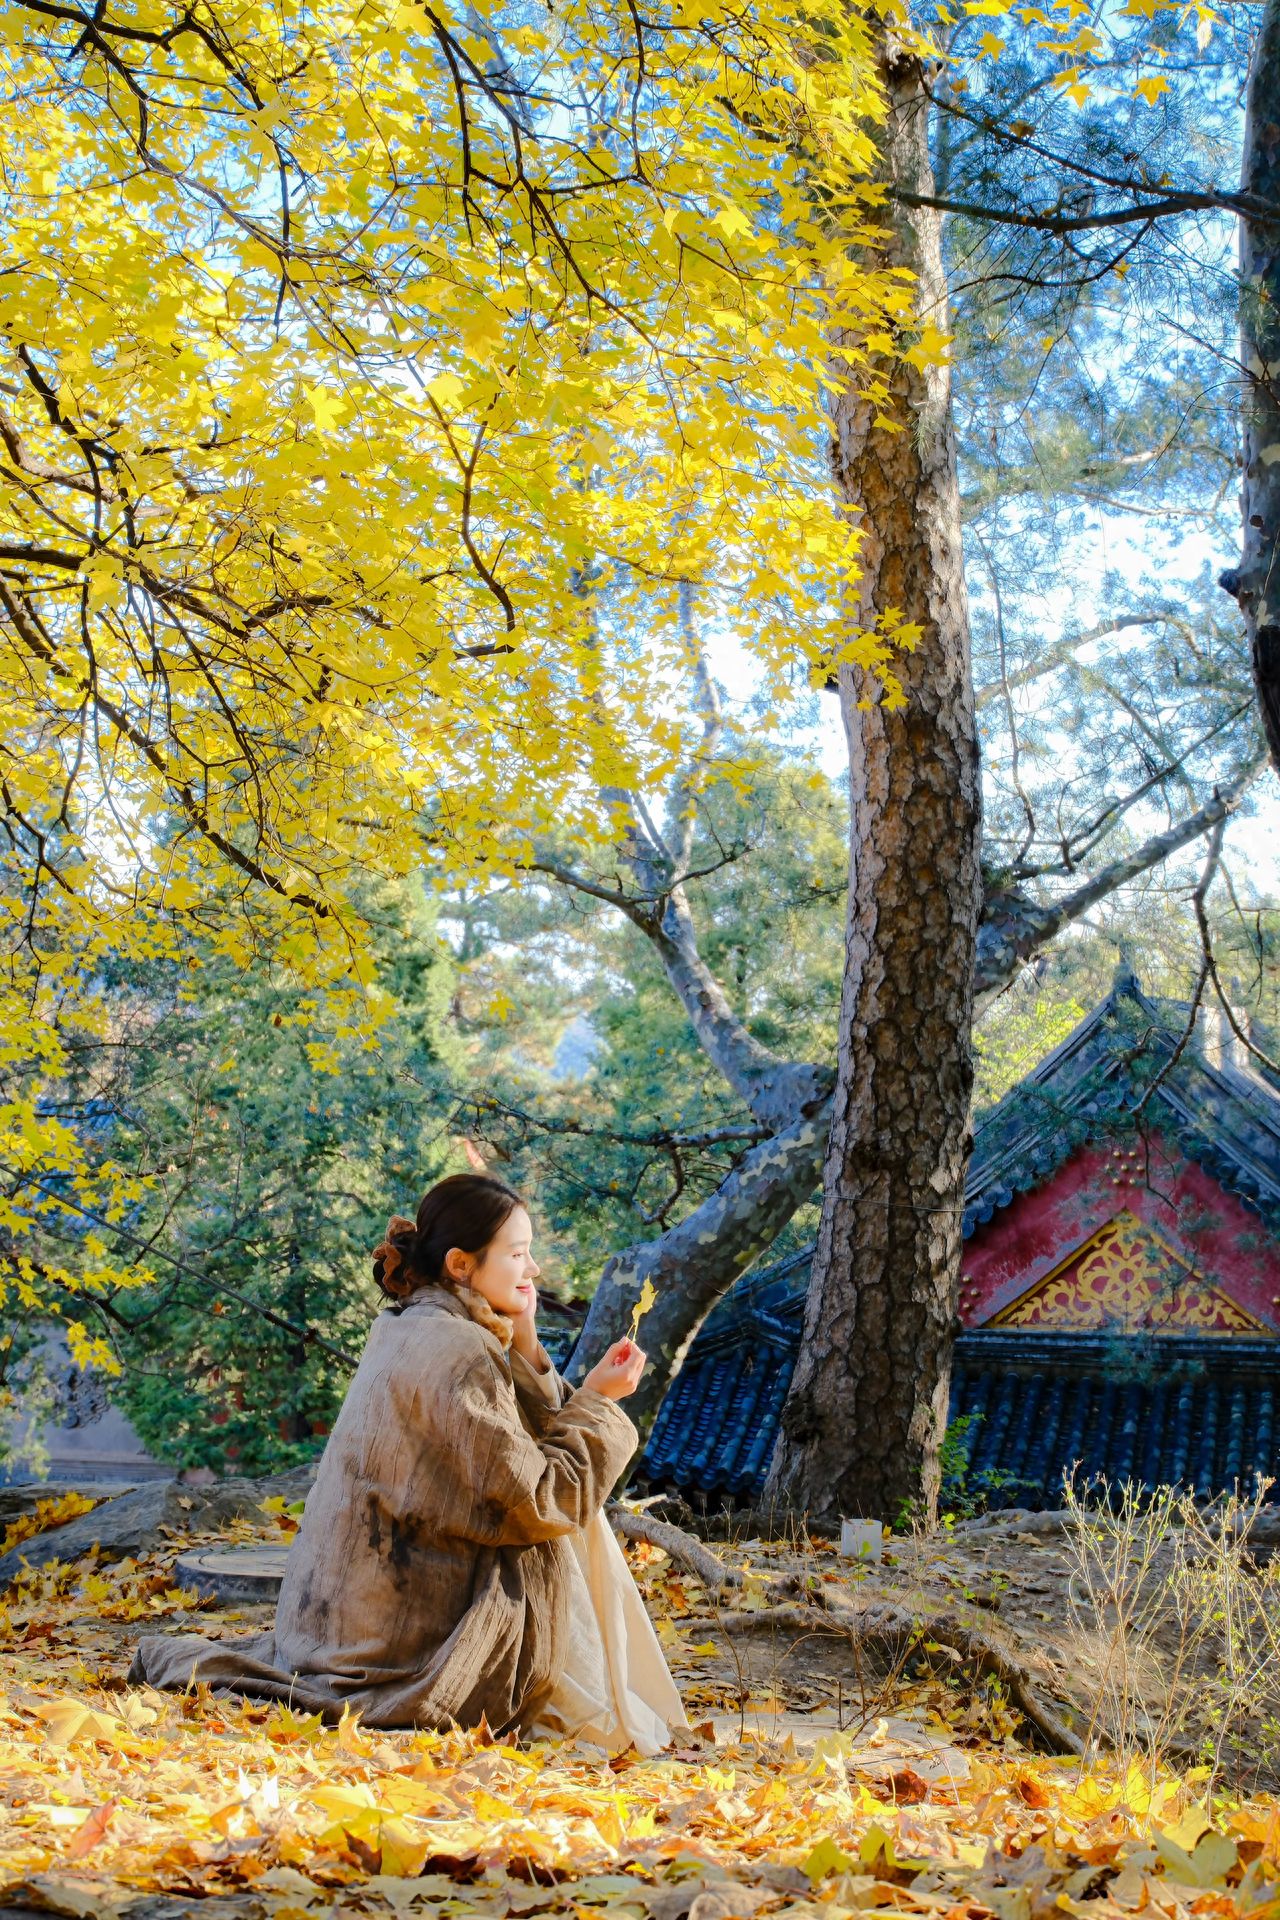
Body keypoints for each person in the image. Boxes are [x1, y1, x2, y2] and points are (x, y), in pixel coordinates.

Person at [128, 1173, 688, 1753]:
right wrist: (598, 1401)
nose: (535, 1271)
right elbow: (541, 1500)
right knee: (571, 1515)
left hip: (337, 1626)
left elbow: (529, 1446)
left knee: (577, 1486)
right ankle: (608, 1700)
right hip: (402, 1648)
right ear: (461, 1265)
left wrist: (524, 1342)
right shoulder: (461, 1349)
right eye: (518, 1254)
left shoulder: (411, 1322)